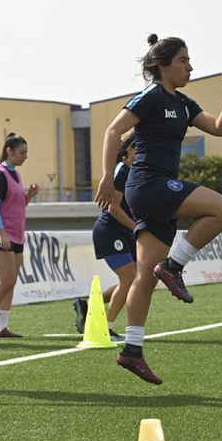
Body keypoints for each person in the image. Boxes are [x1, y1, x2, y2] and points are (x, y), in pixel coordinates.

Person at [96, 34, 222, 384]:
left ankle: (132, 349)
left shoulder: (185, 103)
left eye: (190, 60)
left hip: (157, 191)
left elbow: (220, 130)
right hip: (147, 185)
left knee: (144, 276)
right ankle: (174, 266)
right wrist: (105, 177)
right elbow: (113, 131)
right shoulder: (151, 96)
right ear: (162, 66)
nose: (190, 66)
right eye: (183, 60)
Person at [74, 134, 137, 340]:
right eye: (139, 149)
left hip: (124, 232)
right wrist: (136, 227)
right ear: (128, 150)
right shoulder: (121, 172)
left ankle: (89, 305)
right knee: (128, 277)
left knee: (132, 278)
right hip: (110, 232)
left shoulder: (133, 171)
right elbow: (112, 208)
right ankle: (105, 328)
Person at [0, 133, 39, 339]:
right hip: (1, 235)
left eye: (26, 153)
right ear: (9, 151)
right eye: (22, 152)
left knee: (11, 281)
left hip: (16, 235)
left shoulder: (15, 173)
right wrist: (1, 234)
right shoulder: (0, 174)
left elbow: (17, 205)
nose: (25, 156)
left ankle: (2, 327)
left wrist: (28, 196)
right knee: (5, 280)